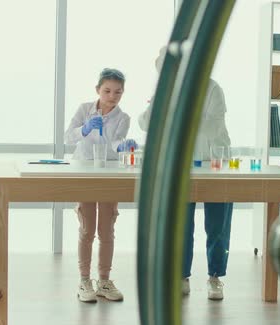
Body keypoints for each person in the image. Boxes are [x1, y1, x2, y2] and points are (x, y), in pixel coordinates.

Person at [139, 47, 233, 300]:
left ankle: (215, 277)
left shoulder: (213, 89)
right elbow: (145, 123)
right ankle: (182, 276)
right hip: (181, 165)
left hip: (215, 163)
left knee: (218, 225)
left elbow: (211, 126)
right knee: (181, 223)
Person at [64, 68, 137, 303]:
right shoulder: (84, 109)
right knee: (87, 229)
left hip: (109, 175)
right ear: (98, 89)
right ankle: (84, 281)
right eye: (107, 90)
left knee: (106, 230)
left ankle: (104, 281)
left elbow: (115, 142)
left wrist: (123, 146)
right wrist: (83, 129)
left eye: (118, 92)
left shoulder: (123, 118)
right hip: (84, 172)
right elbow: (68, 137)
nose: (112, 96)